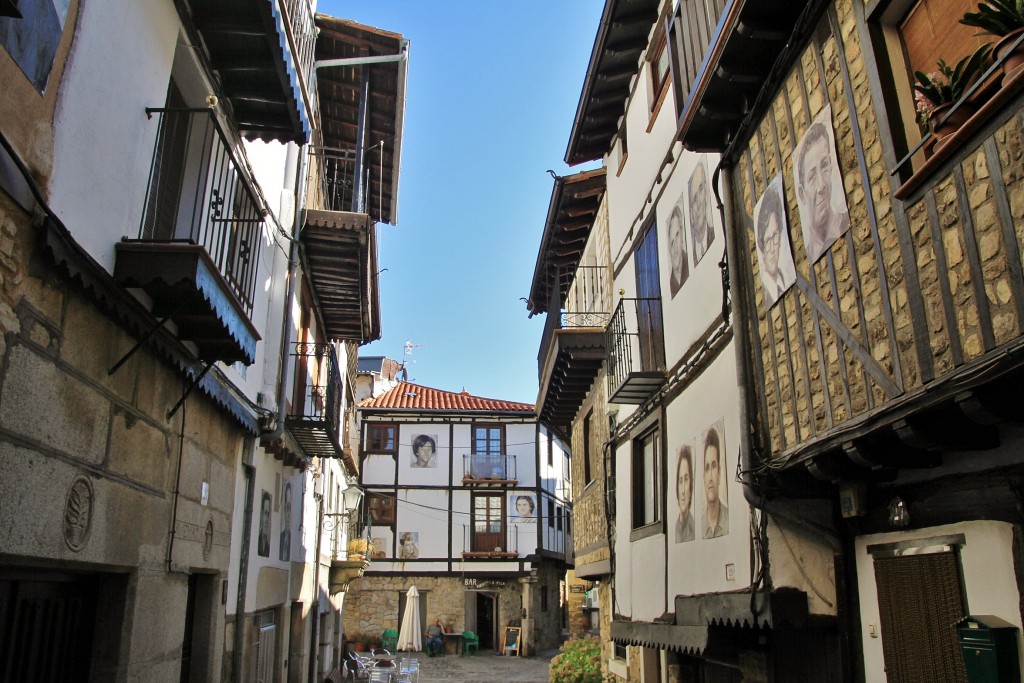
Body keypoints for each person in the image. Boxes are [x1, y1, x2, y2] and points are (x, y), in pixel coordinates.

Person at [796, 115, 850, 262]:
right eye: (812, 176)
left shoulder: (845, 221)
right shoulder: (806, 255)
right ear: (802, 194)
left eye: (824, 165)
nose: (821, 186)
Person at [756, 182, 794, 307]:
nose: (772, 248)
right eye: (767, 241)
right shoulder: (767, 294)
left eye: (775, 236)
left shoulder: (784, 279)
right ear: (761, 249)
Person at [702, 427, 729, 539]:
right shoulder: (700, 526)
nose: (710, 478)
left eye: (713, 466)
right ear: (703, 477)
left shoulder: (729, 518)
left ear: (719, 472)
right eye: (707, 468)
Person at [688, 160, 715, 264]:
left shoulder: (712, 234)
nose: (699, 202)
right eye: (694, 199)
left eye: (701, 190)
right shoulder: (692, 258)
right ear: (691, 214)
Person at [668, 203, 689, 298]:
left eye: (677, 235)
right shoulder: (671, 284)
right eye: (672, 242)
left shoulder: (688, 264)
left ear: (682, 236)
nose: (675, 247)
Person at [675, 445, 695, 543]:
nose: (682, 491)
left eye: (686, 480)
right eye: (680, 481)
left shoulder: (693, 528)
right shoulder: (675, 528)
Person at [279, 481, 292, 561]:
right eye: (287, 508)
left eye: (289, 508)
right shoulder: (281, 536)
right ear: (284, 510)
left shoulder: (291, 539)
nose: (288, 514)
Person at [258, 491, 271, 557]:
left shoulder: (268, 546)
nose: (266, 520)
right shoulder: (257, 541)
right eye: (265, 513)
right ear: (261, 514)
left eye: (268, 514)